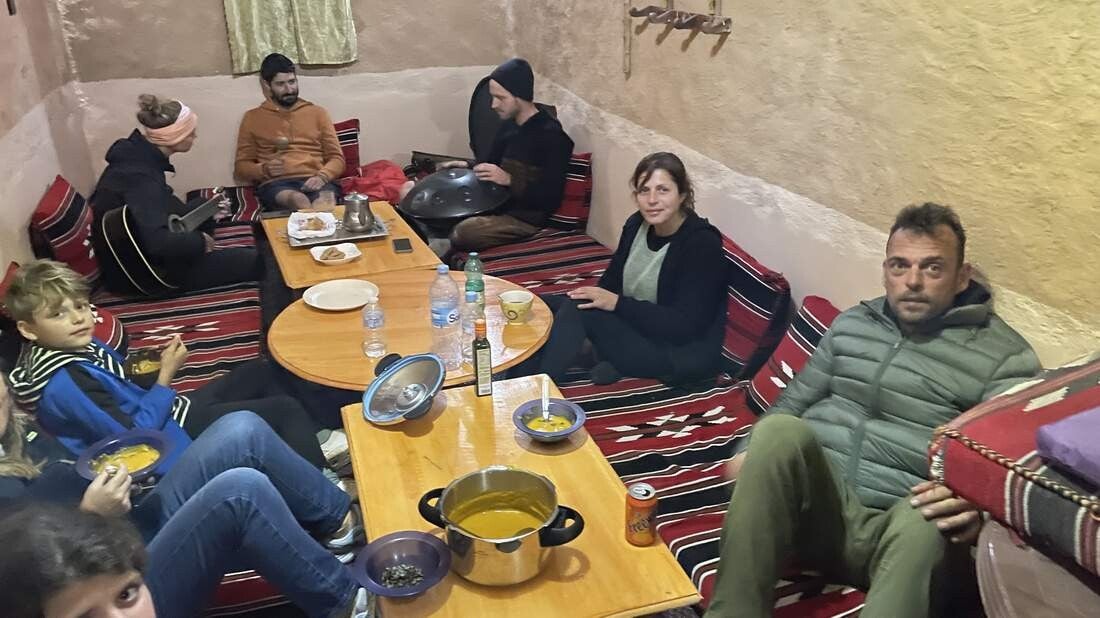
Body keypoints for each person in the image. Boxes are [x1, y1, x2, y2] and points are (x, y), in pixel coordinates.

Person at [704, 203, 1041, 617]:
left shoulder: (1004, 357)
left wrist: (979, 511)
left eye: (932, 268)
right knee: (778, 432)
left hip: (900, 536)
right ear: (885, 271)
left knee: (929, 514)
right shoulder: (853, 324)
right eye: (900, 266)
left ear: (961, 277)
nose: (912, 281)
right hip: (816, 514)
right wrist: (746, 452)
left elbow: (1011, 472)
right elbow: (791, 402)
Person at [0, 377, 367, 617]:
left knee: (240, 430)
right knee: (240, 492)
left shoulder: (16, 431)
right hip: (104, 580)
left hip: (124, 525)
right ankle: (348, 603)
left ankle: (341, 523)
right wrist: (91, 515)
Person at [3, 260, 344, 474]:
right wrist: (165, 377)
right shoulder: (65, 379)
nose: (78, 318)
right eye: (58, 314)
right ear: (28, 329)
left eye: (80, 306)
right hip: (167, 442)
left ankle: (313, 438)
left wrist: (153, 366)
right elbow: (134, 437)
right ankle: (323, 488)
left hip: (168, 412)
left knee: (259, 371)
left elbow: (118, 383)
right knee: (283, 409)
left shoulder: (72, 346)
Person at [520, 152, 726, 385]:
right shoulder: (637, 224)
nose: (652, 200)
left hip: (672, 352)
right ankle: (521, 374)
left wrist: (616, 305)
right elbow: (610, 282)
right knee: (538, 303)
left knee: (577, 310)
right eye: (644, 190)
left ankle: (539, 388)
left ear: (682, 195)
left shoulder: (701, 244)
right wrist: (595, 303)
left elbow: (684, 327)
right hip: (635, 326)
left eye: (663, 190)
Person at [90, 94, 260, 294]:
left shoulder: (138, 156)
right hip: (147, 274)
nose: (194, 137)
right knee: (253, 260)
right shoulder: (141, 178)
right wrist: (199, 242)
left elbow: (159, 207)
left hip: (136, 247)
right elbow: (157, 243)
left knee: (202, 204)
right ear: (175, 137)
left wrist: (209, 210)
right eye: (190, 133)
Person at [419, 58, 574, 255]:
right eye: (493, 97)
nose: (493, 104)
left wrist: (509, 180)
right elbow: (489, 165)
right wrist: (465, 166)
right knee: (415, 194)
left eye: (501, 98)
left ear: (520, 96)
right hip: (493, 203)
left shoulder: (552, 136)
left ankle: (440, 245)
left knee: (464, 232)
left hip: (524, 218)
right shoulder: (509, 126)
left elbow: (550, 197)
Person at [235, 52, 345, 211]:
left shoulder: (318, 113)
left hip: (317, 179)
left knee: (323, 204)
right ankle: (310, 223)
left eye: (292, 82)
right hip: (277, 184)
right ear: (267, 85)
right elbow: (241, 167)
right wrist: (263, 169)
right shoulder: (252, 117)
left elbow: (337, 158)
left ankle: (316, 223)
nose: (289, 89)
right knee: (298, 200)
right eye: (280, 84)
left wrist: (323, 176)